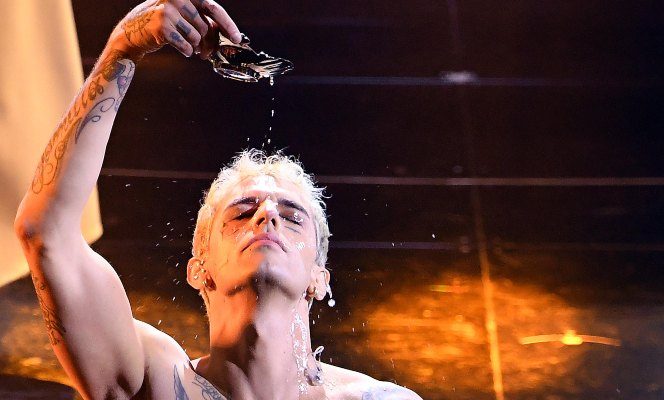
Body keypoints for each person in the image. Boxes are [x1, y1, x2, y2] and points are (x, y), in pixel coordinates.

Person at [14, 1, 422, 399]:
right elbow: (45, 232)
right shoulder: (157, 382)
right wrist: (124, 48)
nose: (267, 215)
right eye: (241, 213)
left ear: (320, 278)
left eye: (293, 217)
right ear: (199, 269)